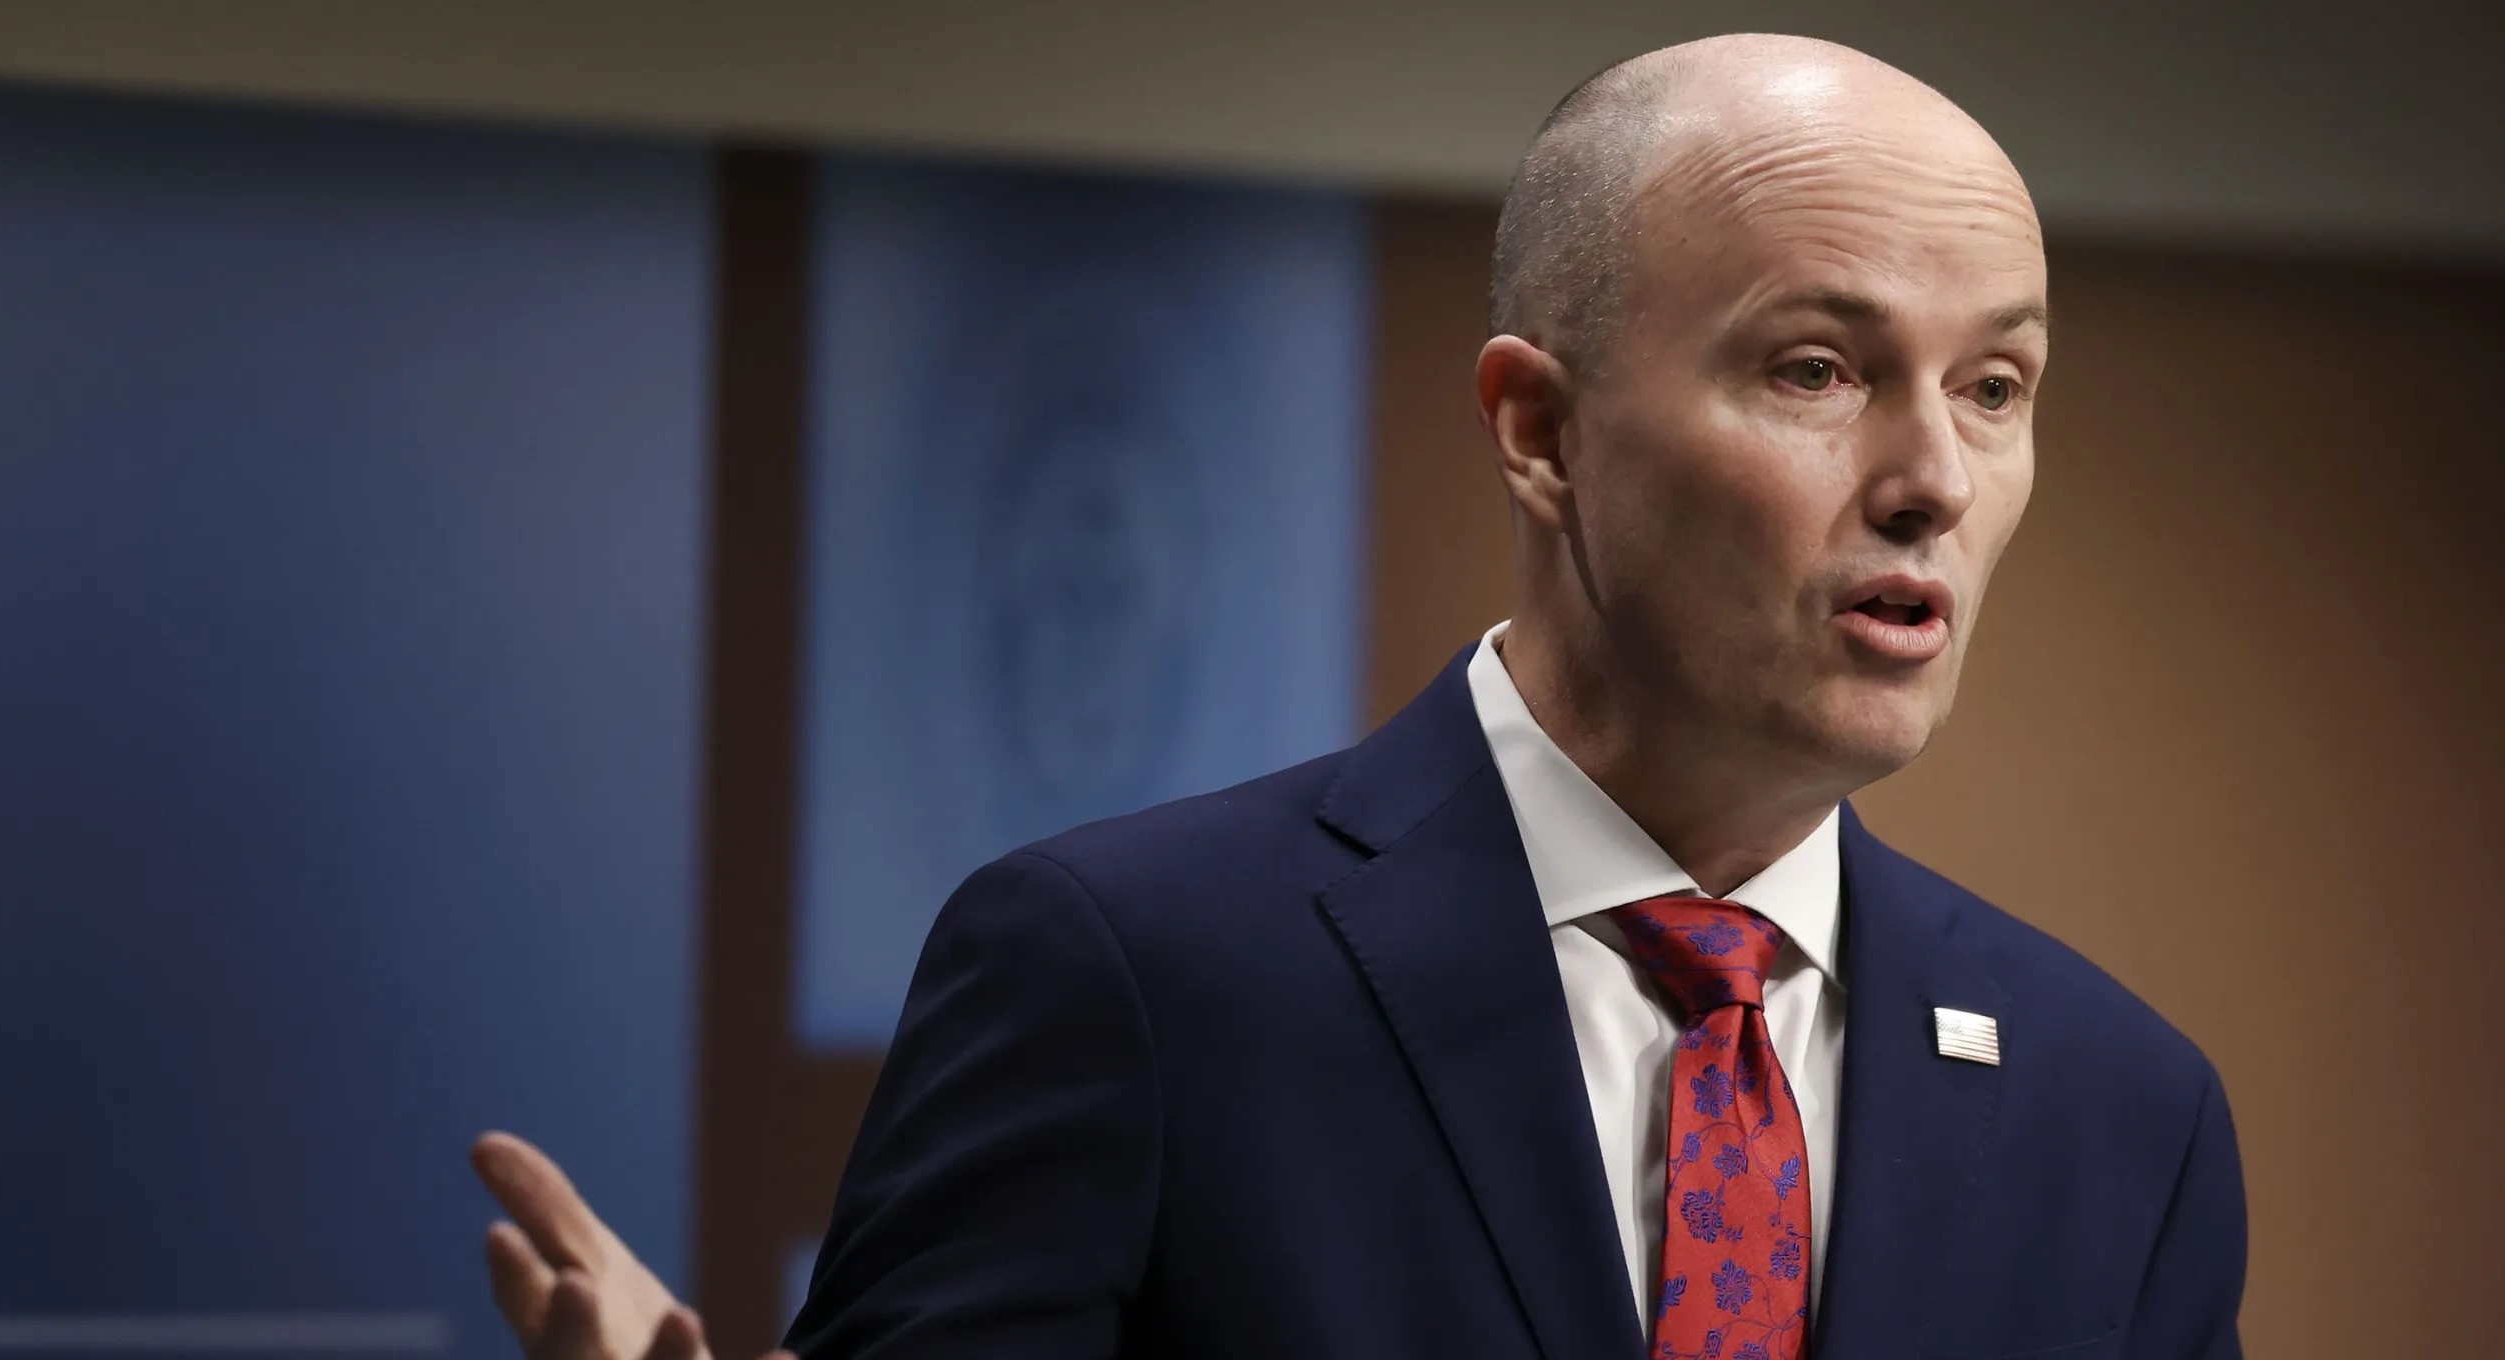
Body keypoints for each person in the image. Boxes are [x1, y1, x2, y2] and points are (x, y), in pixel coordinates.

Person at [474, 32, 2246, 1360]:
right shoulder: (1127, 979)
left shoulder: (2121, 1108)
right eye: (1818, 370)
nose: (1934, 478)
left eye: (1995, 387)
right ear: (1539, 430)